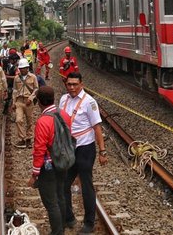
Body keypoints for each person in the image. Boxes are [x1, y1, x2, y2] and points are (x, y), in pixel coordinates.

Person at [60, 73, 107, 234]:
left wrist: (102, 151)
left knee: (86, 185)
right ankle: (69, 217)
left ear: (81, 84)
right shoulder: (63, 100)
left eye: (75, 84)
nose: (72, 87)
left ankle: (89, 222)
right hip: (69, 148)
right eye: (69, 84)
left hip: (85, 148)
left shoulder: (89, 102)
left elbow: (97, 127)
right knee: (64, 183)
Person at [27, 87, 71, 235]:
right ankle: (62, 227)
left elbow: (39, 150)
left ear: (39, 102)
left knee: (51, 202)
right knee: (60, 196)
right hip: (63, 163)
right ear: (53, 98)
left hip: (49, 166)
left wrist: (35, 173)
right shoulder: (64, 114)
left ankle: (57, 231)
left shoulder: (43, 121)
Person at [12, 58, 38, 148]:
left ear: (27, 68)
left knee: (29, 121)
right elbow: (15, 90)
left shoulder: (33, 77)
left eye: (24, 68)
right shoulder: (16, 78)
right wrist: (13, 102)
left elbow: (36, 89)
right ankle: (22, 139)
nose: (22, 70)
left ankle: (29, 139)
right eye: (21, 68)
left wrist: (31, 98)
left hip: (28, 101)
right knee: (18, 120)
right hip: (19, 101)